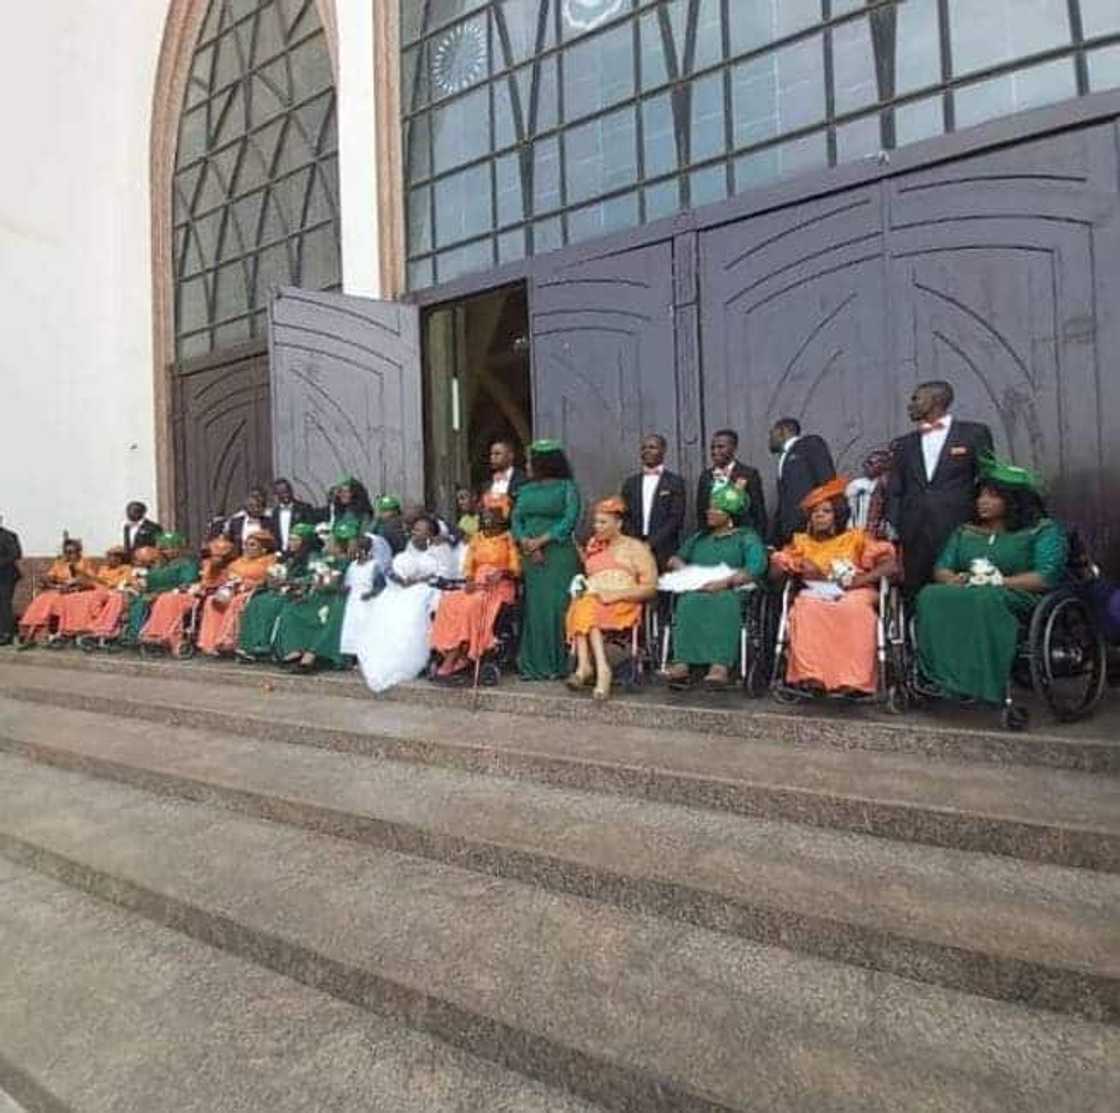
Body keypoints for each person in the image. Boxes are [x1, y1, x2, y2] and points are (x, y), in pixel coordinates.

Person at [915, 458, 1067, 706]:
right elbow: (942, 568)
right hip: (969, 589)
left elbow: (1045, 576)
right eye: (980, 496)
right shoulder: (966, 532)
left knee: (984, 598)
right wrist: (953, 578)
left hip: (1018, 595)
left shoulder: (1042, 530)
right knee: (931, 595)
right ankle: (940, 677)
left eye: (992, 496)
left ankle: (980, 682)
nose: (982, 502)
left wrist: (1001, 581)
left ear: (1013, 499)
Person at [771, 478, 897, 695]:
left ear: (837, 515)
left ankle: (854, 680)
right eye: (815, 512)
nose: (819, 515)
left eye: (826, 511)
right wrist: (791, 564)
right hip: (817, 591)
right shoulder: (801, 542)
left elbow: (890, 565)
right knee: (806, 608)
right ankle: (812, 676)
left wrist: (860, 580)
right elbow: (775, 573)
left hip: (856, 591)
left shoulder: (855, 539)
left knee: (854, 609)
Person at [887, 380, 994, 593]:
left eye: (916, 398)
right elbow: (895, 489)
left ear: (935, 400)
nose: (910, 404)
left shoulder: (973, 434)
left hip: (959, 528)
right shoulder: (904, 444)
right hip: (914, 533)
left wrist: (983, 522)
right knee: (915, 593)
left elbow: (987, 478)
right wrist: (898, 524)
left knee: (960, 588)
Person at [661, 485, 768, 689]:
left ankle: (720, 666)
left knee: (723, 601)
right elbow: (674, 559)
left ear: (729, 515)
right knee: (687, 602)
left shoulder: (746, 537)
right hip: (697, 587)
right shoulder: (700, 537)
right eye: (709, 508)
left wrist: (725, 582)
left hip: (731, 589)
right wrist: (687, 572)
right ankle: (682, 662)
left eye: (715, 509)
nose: (708, 512)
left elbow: (756, 566)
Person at [566, 497, 658, 700]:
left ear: (618, 524)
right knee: (584, 602)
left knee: (587, 607)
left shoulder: (635, 548)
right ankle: (598, 668)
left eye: (603, 523)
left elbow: (650, 587)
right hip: (595, 599)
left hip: (622, 602)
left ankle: (586, 667)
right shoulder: (594, 546)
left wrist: (615, 594)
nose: (597, 527)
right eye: (595, 522)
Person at [356, 515, 459, 692]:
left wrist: (418, 580)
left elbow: (445, 575)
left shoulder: (441, 549)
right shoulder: (411, 547)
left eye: (419, 530)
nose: (414, 532)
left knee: (413, 602)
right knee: (386, 601)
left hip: (433, 588)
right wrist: (400, 578)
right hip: (410, 586)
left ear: (430, 533)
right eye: (415, 529)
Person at [429, 494, 522, 681]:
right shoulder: (477, 539)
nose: (486, 518)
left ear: (501, 518)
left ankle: (456, 657)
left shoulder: (508, 539)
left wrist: (502, 573)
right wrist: (470, 579)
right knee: (448, 601)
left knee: (472, 605)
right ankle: (454, 651)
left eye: (491, 515)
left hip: (499, 587)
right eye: (484, 514)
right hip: (476, 585)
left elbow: (516, 569)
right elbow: (468, 566)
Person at [511, 439, 583, 680]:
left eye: (532, 461)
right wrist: (527, 543)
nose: (528, 465)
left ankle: (561, 664)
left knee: (559, 607)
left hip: (559, 554)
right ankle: (534, 664)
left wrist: (541, 541)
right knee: (536, 608)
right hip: (532, 557)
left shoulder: (567, 488)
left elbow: (570, 519)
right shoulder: (525, 490)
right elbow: (516, 520)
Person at [272, 522, 355, 672]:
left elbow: (343, 584)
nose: (333, 545)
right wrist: (294, 582)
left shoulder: (351, 563)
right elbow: (314, 577)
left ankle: (315, 655)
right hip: (320, 595)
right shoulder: (326, 559)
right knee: (293, 608)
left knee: (332, 614)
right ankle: (295, 650)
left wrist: (330, 584)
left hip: (339, 598)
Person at [236, 521, 319, 660]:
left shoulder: (312, 557)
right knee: (256, 602)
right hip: (281, 589)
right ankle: (250, 646)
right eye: (290, 538)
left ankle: (265, 645)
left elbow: (312, 577)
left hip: (299, 592)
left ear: (305, 541)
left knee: (270, 604)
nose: (291, 542)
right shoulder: (288, 557)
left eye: (295, 539)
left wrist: (292, 582)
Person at [196, 532, 277, 655]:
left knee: (236, 601)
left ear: (264, 549)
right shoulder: (237, 562)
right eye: (246, 544)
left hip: (253, 592)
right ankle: (209, 642)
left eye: (252, 545)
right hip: (233, 589)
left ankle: (226, 641)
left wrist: (247, 583)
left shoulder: (269, 561)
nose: (247, 548)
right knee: (212, 600)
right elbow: (225, 577)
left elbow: (268, 580)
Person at [621, 434, 687, 572]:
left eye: (652, 447)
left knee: (664, 588)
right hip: (635, 547)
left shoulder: (675, 482)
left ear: (663, 450)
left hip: (664, 547)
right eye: (644, 448)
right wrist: (637, 543)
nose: (647, 451)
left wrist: (651, 543)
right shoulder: (630, 483)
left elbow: (676, 518)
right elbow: (624, 515)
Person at [17, 538, 99, 645]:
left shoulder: (85, 563)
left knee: (56, 600)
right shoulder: (60, 563)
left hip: (77, 591)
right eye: (66, 552)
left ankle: (63, 632)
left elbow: (90, 581)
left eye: (71, 552)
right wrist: (48, 580)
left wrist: (75, 581)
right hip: (60, 590)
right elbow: (50, 576)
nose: (68, 555)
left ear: (78, 552)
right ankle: (30, 628)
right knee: (42, 599)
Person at [768, 418, 836, 548]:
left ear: (782, 431)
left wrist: (823, 520)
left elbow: (827, 482)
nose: (769, 439)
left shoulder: (809, 444)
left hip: (811, 529)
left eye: (771, 434)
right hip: (790, 534)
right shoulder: (784, 457)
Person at [134, 533, 203, 653]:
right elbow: (148, 584)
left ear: (179, 548)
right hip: (158, 596)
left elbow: (188, 584)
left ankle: (166, 635)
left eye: (170, 548)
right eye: (163, 548)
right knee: (139, 600)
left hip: (183, 596)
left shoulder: (187, 563)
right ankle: (145, 634)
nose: (166, 551)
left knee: (165, 599)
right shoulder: (158, 566)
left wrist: (164, 593)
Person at [696, 429, 767, 540]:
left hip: (741, 538)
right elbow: (701, 513)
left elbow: (758, 512)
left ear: (734, 448)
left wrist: (758, 540)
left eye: (720, 447)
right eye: (712, 447)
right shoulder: (705, 476)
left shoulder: (748, 474)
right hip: (713, 538)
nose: (715, 451)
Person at [339, 534, 390, 658]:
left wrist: (371, 593)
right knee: (352, 627)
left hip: (368, 602)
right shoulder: (352, 565)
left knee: (365, 626)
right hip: (353, 600)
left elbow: (381, 586)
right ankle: (352, 655)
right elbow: (349, 582)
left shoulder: (374, 566)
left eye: (354, 547)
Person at [845, 446, 895, 538]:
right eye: (867, 462)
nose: (865, 465)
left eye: (871, 463)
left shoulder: (890, 484)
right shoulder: (857, 485)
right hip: (856, 532)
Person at [268, 478, 319, 553]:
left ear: (291, 491)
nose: (285, 495)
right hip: (281, 553)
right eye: (281, 492)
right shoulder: (275, 512)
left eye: (287, 491)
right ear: (276, 494)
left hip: (301, 553)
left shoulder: (304, 508)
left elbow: (310, 530)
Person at [225, 487, 270, 554]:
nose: (256, 509)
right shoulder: (236, 522)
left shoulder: (269, 522)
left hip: (263, 560)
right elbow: (229, 542)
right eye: (252, 506)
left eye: (259, 506)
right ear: (247, 506)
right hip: (240, 559)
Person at [0, 515, 23, 645]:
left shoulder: (8, 536)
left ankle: (5, 634)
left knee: (3, 602)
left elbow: (16, 554)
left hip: (6, 576)